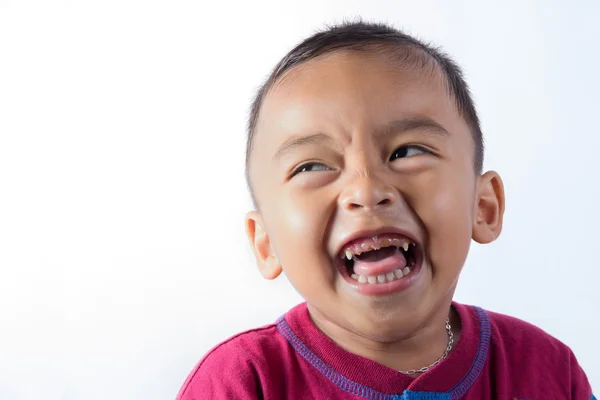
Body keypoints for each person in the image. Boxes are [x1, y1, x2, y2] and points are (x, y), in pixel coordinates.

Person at [176, 21, 595, 399]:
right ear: (265, 243)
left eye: (406, 151)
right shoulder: (242, 382)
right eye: (313, 166)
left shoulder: (547, 371)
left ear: (483, 206)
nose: (366, 189)